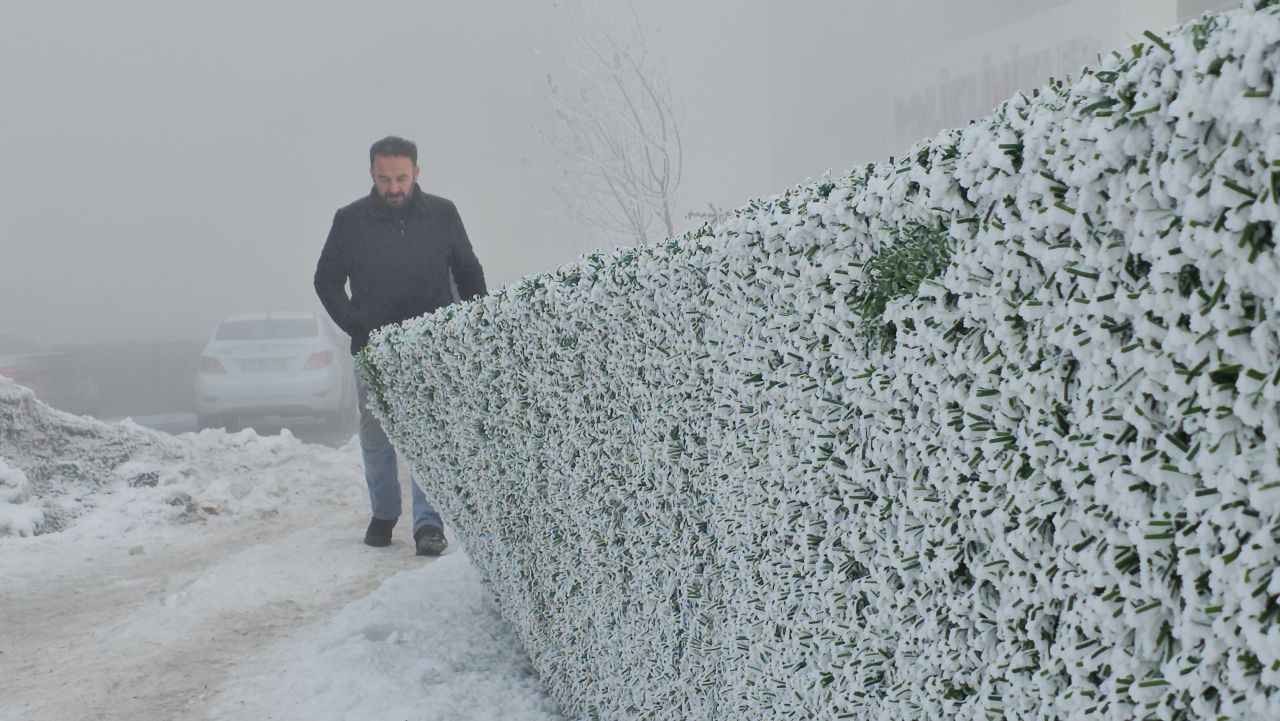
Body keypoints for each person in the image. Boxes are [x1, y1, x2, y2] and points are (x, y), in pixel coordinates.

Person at [314, 136, 486, 556]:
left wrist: (473, 325)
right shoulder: (349, 221)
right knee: (376, 437)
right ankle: (384, 514)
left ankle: (428, 525)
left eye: (401, 178)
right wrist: (356, 323)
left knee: (429, 436)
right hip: (374, 350)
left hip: (432, 347)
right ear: (372, 175)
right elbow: (326, 280)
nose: (393, 187)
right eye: (384, 178)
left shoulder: (442, 214)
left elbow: (469, 271)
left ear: (417, 173)